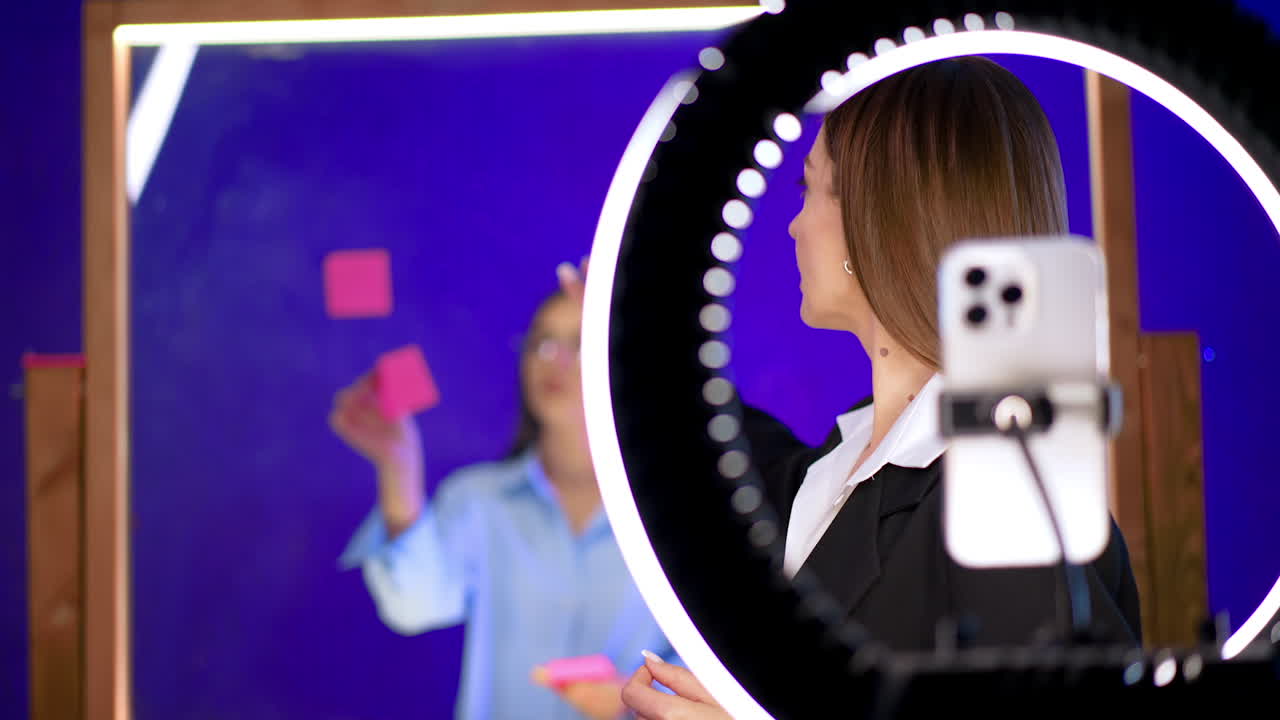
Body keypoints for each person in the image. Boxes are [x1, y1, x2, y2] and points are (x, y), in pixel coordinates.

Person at [616, 56, 1143, 719]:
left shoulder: (1012, 508)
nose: (793, 224)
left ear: (875, 219)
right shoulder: (827, 475)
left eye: (811, 190)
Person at [332, 271, 676, 720]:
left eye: (580, 344)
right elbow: (412, 605)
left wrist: (634, 704)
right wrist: (399, 467)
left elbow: (710, 668)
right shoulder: (478, 499)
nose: (554, 360)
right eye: (542, 343)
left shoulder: (672, 519)